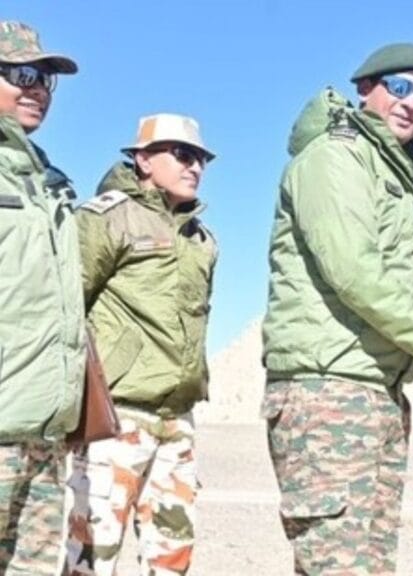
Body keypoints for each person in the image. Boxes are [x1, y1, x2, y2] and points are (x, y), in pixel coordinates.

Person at [260, 42, 413, 575]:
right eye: (399, 87)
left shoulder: (401, 172)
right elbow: (355, 273)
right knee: (336, 565)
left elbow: (403, 288)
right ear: (365, 88)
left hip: (377, 393)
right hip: (328, 393)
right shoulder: (334, 158)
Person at [64, 113, 217, 576]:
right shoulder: (104, 219)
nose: (195, 167)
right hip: (116, 416)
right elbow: (69, 307)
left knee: (172, 557)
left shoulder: (202, 239)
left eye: (202, 159)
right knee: (94, 554)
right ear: (144, 159)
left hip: (178, 418)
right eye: (183, 155)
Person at [0, 20, 86, 574]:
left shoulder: (50, 183)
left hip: (45, 430)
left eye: (45, 78)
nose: (36, 88)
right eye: (20, 73)